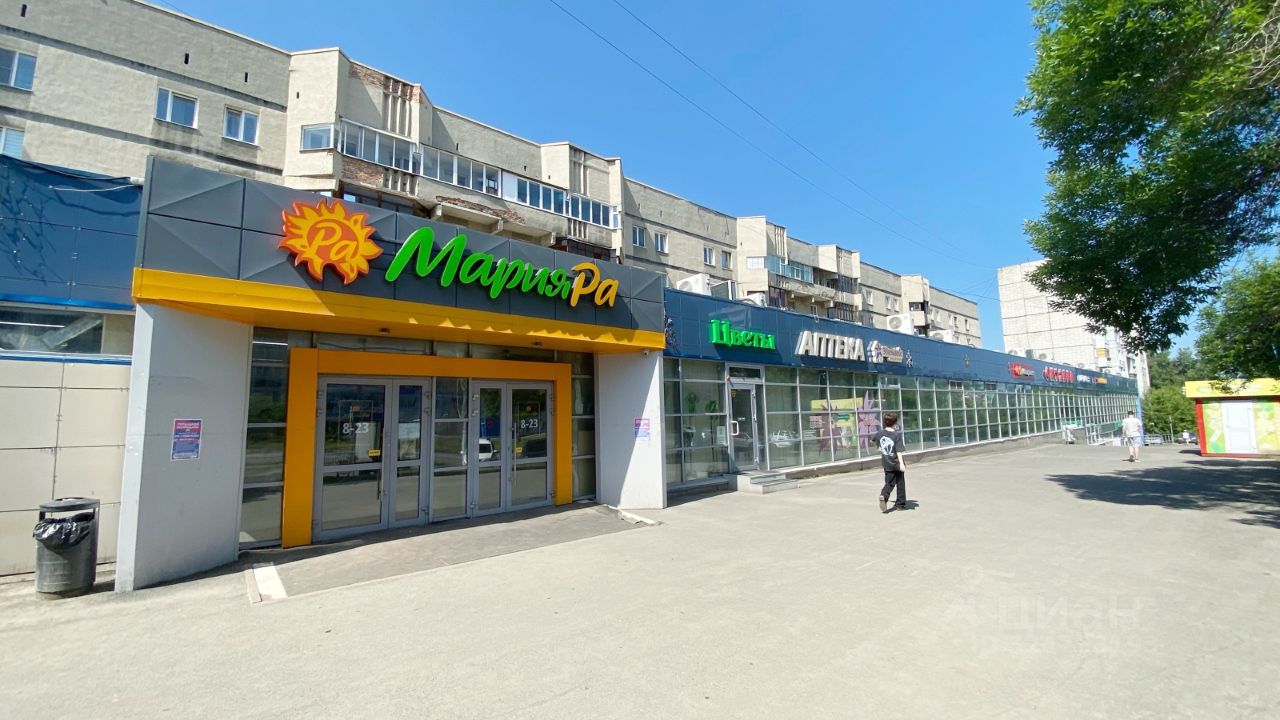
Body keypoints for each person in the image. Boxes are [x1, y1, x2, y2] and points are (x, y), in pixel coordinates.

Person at [873, 413, 907, 512]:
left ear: (884, 422)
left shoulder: (880, 433)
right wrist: (901, 464)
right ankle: (900, 504)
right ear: (895, 422)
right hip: (896, 462)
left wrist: (879, 447)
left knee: (889, 482)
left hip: (886, 463)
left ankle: (884, 495)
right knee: (900, 483)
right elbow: (899, 451)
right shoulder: (896, 435)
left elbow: (873, 440)